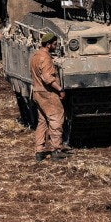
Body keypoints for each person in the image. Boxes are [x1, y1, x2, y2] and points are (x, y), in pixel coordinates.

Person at [30, 32, 68, 162]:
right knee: (56, 118)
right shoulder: (45, 57)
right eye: (55, 44)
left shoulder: (35, 55)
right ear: (48, 44)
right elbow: (48, 78)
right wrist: (60, 89)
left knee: (43, 122)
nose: (56, 46)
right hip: (48, 93)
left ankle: (39, 151)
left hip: (37, 92)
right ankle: (56, 150)